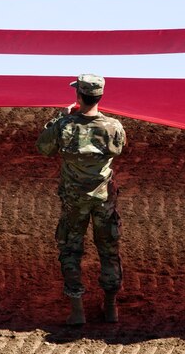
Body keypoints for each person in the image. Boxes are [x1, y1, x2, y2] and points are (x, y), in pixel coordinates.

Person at [36, 74, 126, 326]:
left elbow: (43, 148)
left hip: (74, 200)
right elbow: (119, 149)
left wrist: (59, 119)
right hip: (103, 199)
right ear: (100, 95)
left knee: (70, 250)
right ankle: (110, 308)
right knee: (108, 250)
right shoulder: (114, 127)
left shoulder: (65, 126)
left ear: (78, 96)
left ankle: (77, 311)